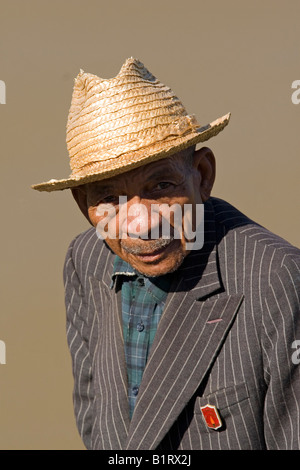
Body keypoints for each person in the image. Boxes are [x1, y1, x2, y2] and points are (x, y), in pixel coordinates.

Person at [32, 58, 300, 450]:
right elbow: (94, 414)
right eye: (109, 199)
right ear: (82, 205)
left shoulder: (276, 278)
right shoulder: (84, 260)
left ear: (203, 175)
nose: (140, 225)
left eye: (160, 186)